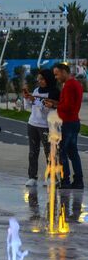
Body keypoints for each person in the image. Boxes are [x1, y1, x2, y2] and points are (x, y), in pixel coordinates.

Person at [47, 62, 83, 190]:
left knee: (61, 153)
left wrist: (54, 106)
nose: (56, 77)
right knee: (73, 153)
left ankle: (65, 181)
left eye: (57, 74)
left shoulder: (68, 86)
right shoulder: (76, 84)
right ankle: (79, 181)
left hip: (67, 123)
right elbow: (69, 104)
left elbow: (67, 106)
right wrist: (55, 102)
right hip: (74, 122)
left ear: (63, 71)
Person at [23, 70, 60, 187]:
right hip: (32, 124)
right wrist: (27, 98)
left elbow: (48, 110)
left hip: (46, 126)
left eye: (42, 79)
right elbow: (28, 106)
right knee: (33, 152)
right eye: (38, 79)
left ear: (48, 79)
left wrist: (35, 101)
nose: (39, 81)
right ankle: (32, 177)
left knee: (49, 153)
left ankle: (51, 177)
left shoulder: (54, 93)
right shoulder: (36, 91)